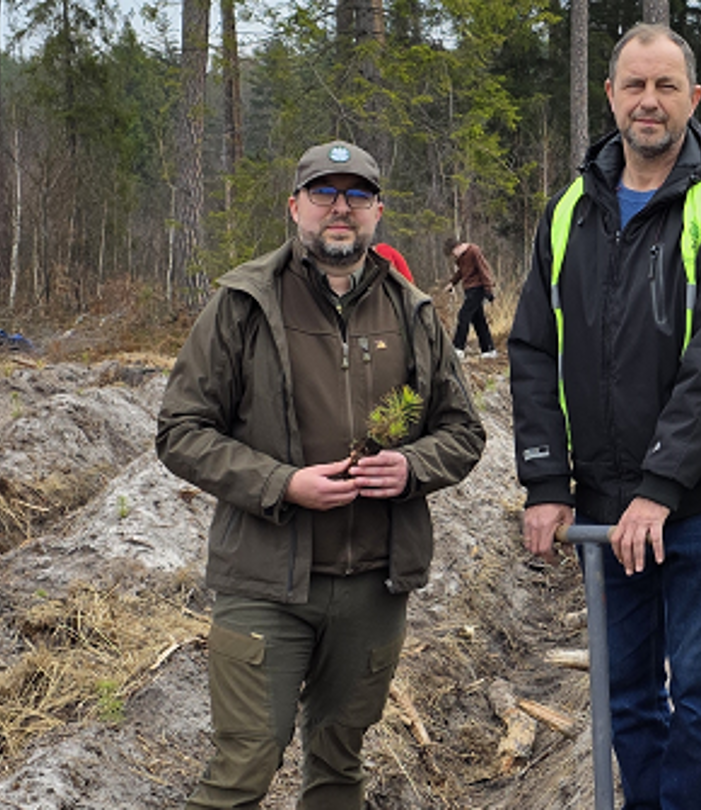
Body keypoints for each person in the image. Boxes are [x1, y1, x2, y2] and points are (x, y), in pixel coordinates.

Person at [156, 140, 487, 809]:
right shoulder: (243, 304)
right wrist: (284, 484)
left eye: (357, 195)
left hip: (372, 585)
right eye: (325, 194)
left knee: (339, 765)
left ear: (377, 213)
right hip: (265, 580)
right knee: (242, 766)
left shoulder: (413, 311)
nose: (341, 209)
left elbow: (464, 432)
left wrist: (411, 467)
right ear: (295, 207)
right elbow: (181, 431)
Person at [508, 23, 701, 810]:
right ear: (611, 96)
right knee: (625, 694)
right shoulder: (568, 213)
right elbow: (532, 349)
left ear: (694, 98)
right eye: (634, 85)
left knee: (696, 699)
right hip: (599, 504)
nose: (648, 102)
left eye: (666, 87)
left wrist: (660, 488)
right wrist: (545, 479)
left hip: (695, 511)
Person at [445, 238, 497, 359]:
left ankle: (458, 348)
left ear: (457, 247)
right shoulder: (461, 258)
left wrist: (488, 289)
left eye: (453, 253)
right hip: (469, 290)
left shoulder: (474, 250)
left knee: (463, 316)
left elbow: (483, 268)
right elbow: (461, 272)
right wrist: (452, 283)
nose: (454, 256)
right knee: (478, 320)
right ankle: (488, 350)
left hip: (478, 288)